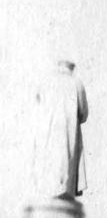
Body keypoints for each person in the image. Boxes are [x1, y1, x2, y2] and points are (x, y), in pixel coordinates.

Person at [34, 60, 88, 199]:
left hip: (48, 135)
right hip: (69, 135)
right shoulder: (77, 83)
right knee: (67, 171)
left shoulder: (45, 82)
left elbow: (38, 105)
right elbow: (83, 113)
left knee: (50, 171)